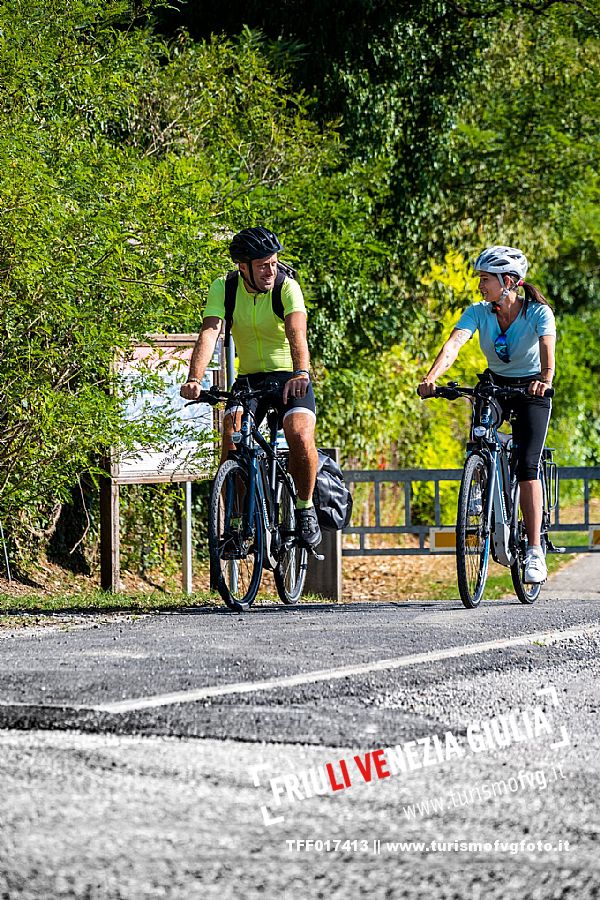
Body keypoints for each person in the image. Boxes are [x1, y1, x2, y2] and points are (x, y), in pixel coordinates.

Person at [418, 245, 556, 583]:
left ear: (508, 281)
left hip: (530, 391)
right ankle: (478, 486)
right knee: (480, 433)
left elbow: (547, 352)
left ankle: (535, 550)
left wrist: (545, 379)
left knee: (526, 465)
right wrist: (432, 378)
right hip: (495, 384)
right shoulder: (479, 311)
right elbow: (454, 344)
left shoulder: (538, 312)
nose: (480, 284)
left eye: (485, 279)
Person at [180, 226, 321, 548]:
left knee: (299, 434)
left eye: (273, 263)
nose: (271, 270)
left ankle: (304, 507)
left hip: (290, 376)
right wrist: (194, 378)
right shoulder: (225, 288)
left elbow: (296, 332)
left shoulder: (287, 288)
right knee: (232, 438)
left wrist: (302, 372)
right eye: (262, 265)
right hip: (249, 380)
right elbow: (210, 333)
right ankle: (236, 523)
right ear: (243, 267)